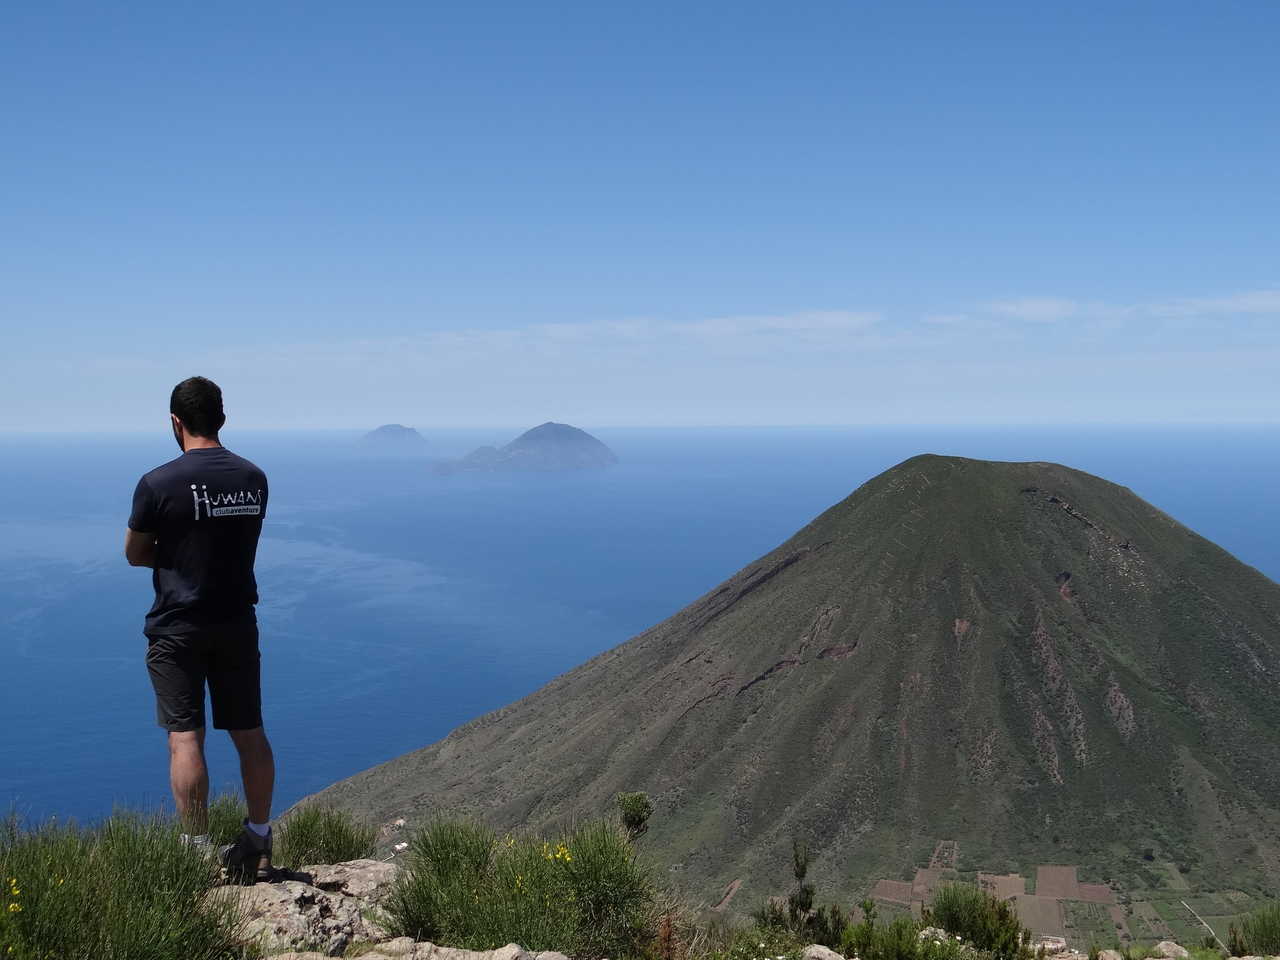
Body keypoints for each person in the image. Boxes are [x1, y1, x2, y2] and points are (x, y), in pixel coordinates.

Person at [125, 376, 276, 882]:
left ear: (175, 422)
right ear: (222, 419)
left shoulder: (157, 483)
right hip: (237, 621)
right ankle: (258, 836)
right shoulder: (254, 478)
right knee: (249, 731)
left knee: (185, 738)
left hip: (178, 627)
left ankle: (195, 852)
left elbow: (135, 552)